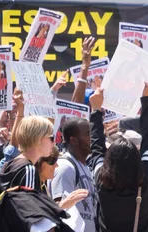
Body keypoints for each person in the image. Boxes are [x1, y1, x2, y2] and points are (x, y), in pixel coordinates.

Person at [97, 84, 148, 231]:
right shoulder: (147, 180)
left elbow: (96, 149)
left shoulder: (100, 181)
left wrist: (96, 111)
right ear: (137, 161)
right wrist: (147, 102)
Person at [51, 88, 104, 231]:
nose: (92, 137)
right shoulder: (64, 167)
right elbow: (59, 210)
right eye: (88, 134)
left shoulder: (85, 167)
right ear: (74, 140)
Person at [0, 115, 54, 190]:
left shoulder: (10, 164)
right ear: (39, 139)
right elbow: (27, 201)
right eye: (52, 137)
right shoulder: (28, 170)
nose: (54, 142)